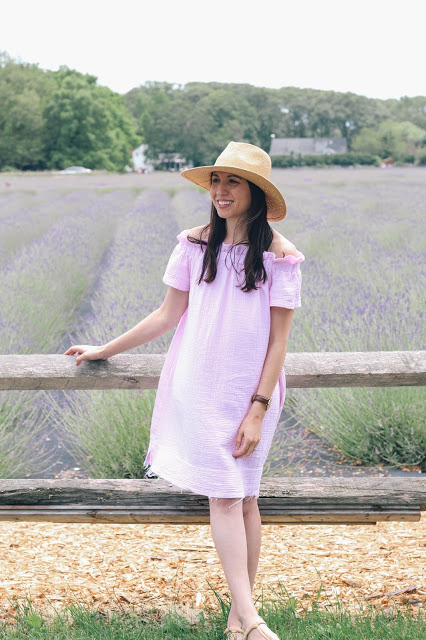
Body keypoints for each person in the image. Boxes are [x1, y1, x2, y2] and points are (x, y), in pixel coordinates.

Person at [64, 141, 305, 640]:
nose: (220, 191)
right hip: (200, 386)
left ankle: (239, 621)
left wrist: (258, 409)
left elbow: (280, 341)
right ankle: (252, 618)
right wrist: (104, 350)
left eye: (232, 181)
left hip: (253, 392)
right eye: (216, 181)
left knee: (245, 499)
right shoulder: (193, 244)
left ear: (256, 192)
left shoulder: (280, 257)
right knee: (224, 496)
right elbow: (166, 315)